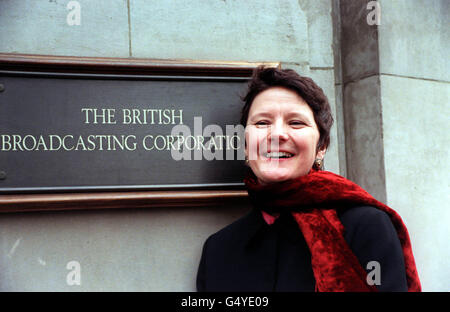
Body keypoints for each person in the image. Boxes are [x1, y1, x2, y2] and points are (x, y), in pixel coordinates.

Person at [196, 66, 421, 292]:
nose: (276, 135)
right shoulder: (218, 250)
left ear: (321, 147)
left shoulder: (365, 227)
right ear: (246, 146)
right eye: (262, 123)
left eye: (296, 123)